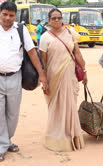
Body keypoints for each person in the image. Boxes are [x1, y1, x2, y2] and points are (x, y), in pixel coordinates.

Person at [0, 1, 48, 162]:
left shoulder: (21, 30)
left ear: (15, 16)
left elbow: (32, 53)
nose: (7, 18)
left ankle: (6, 140)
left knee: (12, 113)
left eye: (11, 15)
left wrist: (42, 74)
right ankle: (0, 146)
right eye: (4, 14)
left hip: (15, 77)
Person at [39, 8, 87, 151]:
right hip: (54, 78)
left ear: (62, 19)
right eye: (53, 18)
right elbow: (43, 62)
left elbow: (77, 53)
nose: (57, 20)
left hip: (70, 75)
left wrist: (84, 71)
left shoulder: (70, 33)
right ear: (49, 20)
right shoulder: (45, 37)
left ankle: (72, 135)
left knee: (71, 104)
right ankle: (57, 137)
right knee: (57, 107)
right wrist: (44, 81)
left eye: (59, 18)